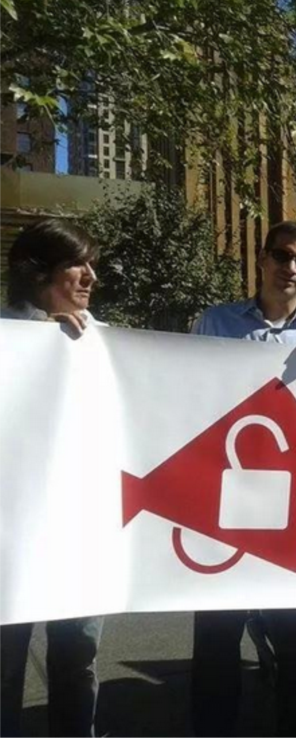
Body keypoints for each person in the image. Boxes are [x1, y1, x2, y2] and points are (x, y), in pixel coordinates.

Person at [190, 220, 296, 738]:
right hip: (224, 498)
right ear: (262, 259)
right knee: (216, 635)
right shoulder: (215, 324)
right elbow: (186, 398)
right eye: (283, 256)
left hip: (294, 503)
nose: (292, 268)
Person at [0, 219, 105, 738]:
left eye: (92, 265)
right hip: (10, 542)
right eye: (77, 266)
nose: (90, 277)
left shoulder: (103, 342)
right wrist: (34, 344)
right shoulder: (3, 338)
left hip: (78, 537)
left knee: (78, 661)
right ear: (39, 272)